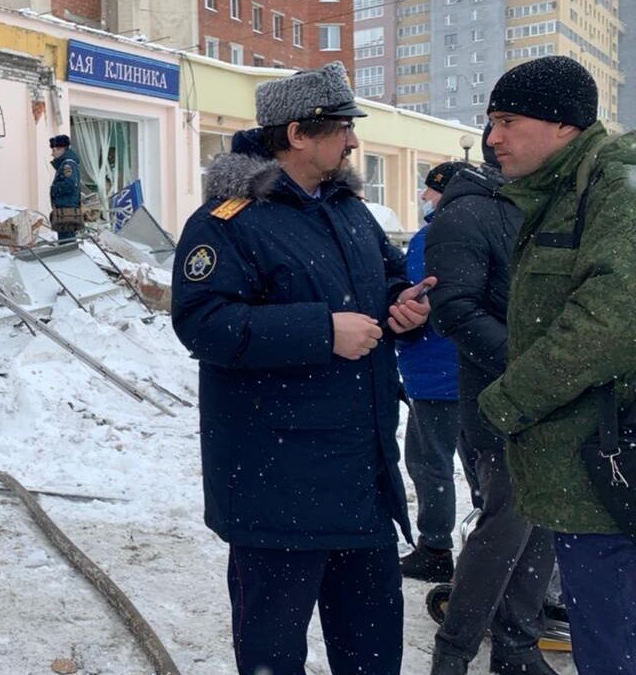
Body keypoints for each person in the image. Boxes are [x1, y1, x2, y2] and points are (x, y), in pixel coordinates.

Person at [171, 61, 434, 675]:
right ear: (296, 133)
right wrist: (320, 331)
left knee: (372, 651)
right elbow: (202, 323)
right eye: (342, 127)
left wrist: (405, 304)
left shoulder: (348, 211)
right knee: (273, 652)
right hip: (277, 485)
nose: (353, 141)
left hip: (361, 481)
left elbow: (386, 275)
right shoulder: (227, 222)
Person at [476, 55, 636, 675]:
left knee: (613, 649)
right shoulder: (570, 188)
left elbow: (612, 320)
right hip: (593, 473)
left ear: (566, 124)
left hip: (612, 475)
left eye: (509, 120)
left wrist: (509, 400)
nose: (493, 138)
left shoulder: (615, 181)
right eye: (491, 122)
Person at [426, 130, 558, 675]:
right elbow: (454, 309)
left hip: (555, 400)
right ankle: (455, 651)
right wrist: (530, 368)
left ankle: (517, 646)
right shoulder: (469, 213)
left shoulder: (541, 204)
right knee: (505, 527)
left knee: (541, 526)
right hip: (501, 401)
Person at [397, 161, 480, 584]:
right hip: (477, 369)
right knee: (483, 464)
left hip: (435, 373)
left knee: (430, 462)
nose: (425, 197)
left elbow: (413, 303)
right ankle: (492, 542)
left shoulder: (432, 240)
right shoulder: (488, 228)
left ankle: (434, 547)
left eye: (431, 190)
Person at [47, 134, 83, 243]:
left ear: (62, 149)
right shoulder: (66, 163)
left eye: (54, 150)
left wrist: (54, 189)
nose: (52, 154)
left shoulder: (68, 165)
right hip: (65, 210)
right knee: (66, 240)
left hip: (66, 211)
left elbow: (70, 184)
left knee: (67, 242)